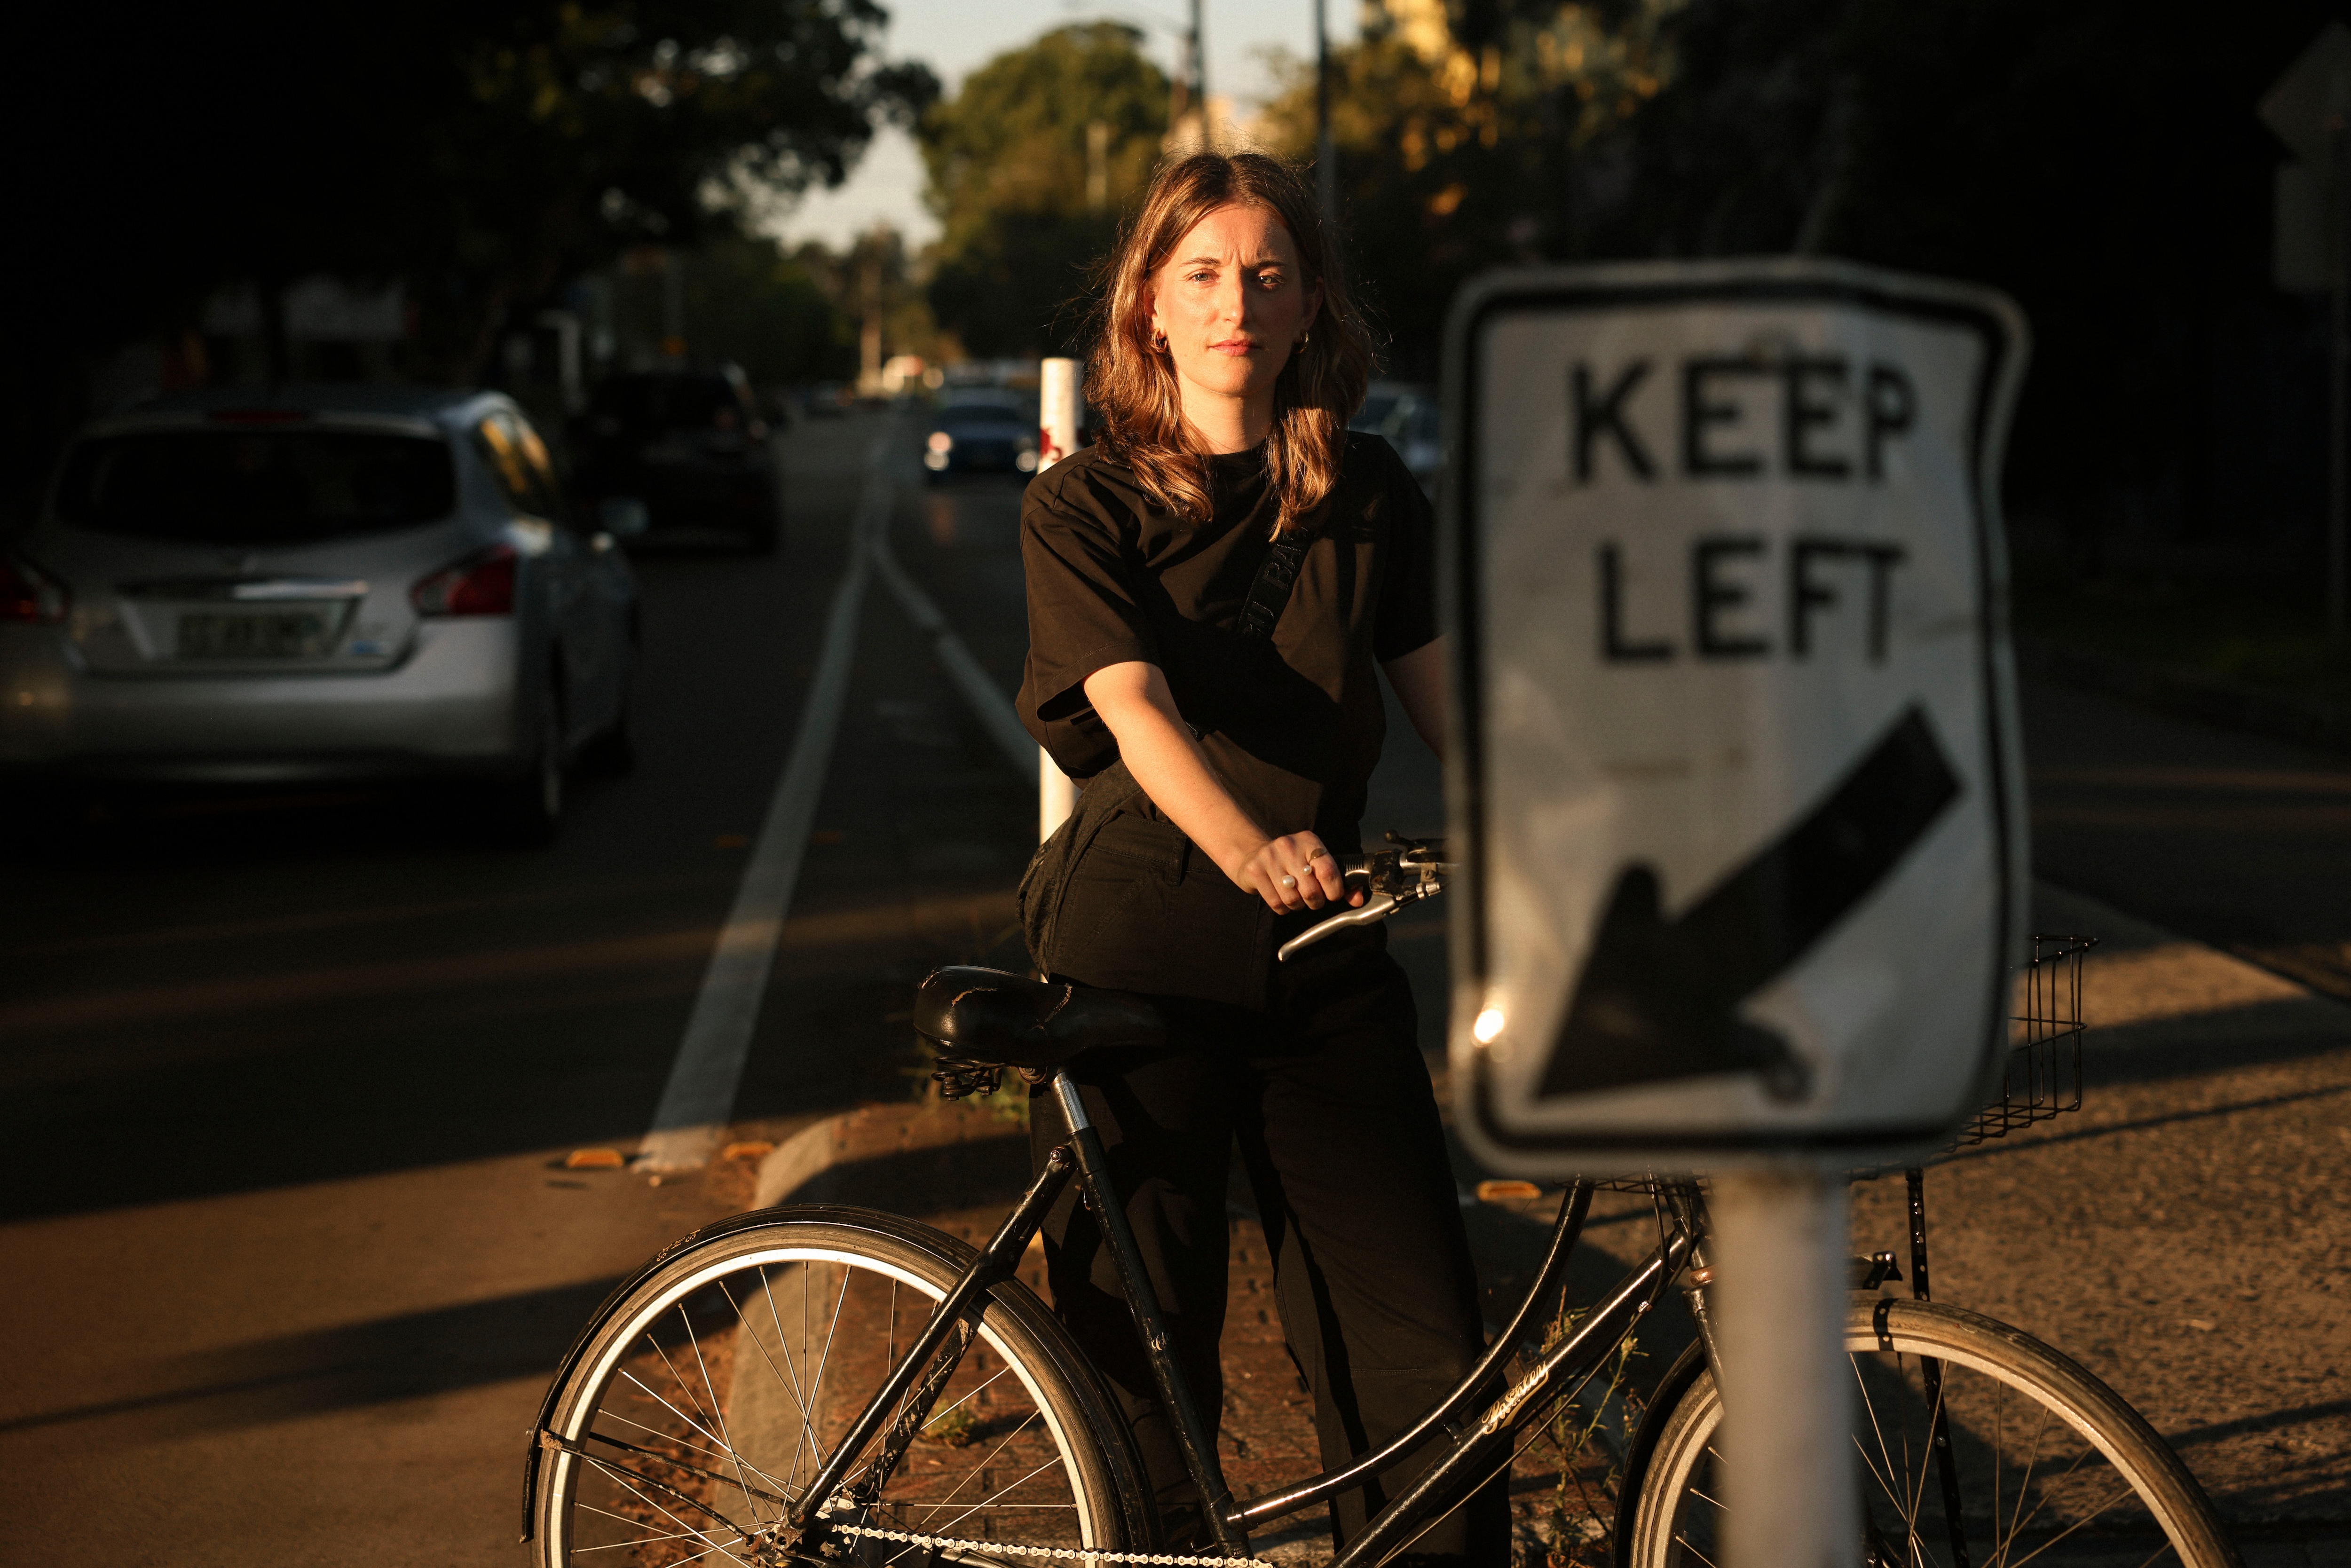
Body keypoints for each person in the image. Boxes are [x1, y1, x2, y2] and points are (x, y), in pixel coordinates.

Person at [1016, 151, 1502, 1567]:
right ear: (1151, 308)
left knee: (1421, 1348)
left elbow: (1455, 707)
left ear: (1309, 309)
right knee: (1145, 1364)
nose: (1239, 304)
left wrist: (1588, 824)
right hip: (1140, 949)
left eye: (1269, 276)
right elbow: (1132, 708)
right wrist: (1248, 846)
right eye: (1206, 275)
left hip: (1322, 947)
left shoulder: (1369, 490)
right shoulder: (1083, 505)